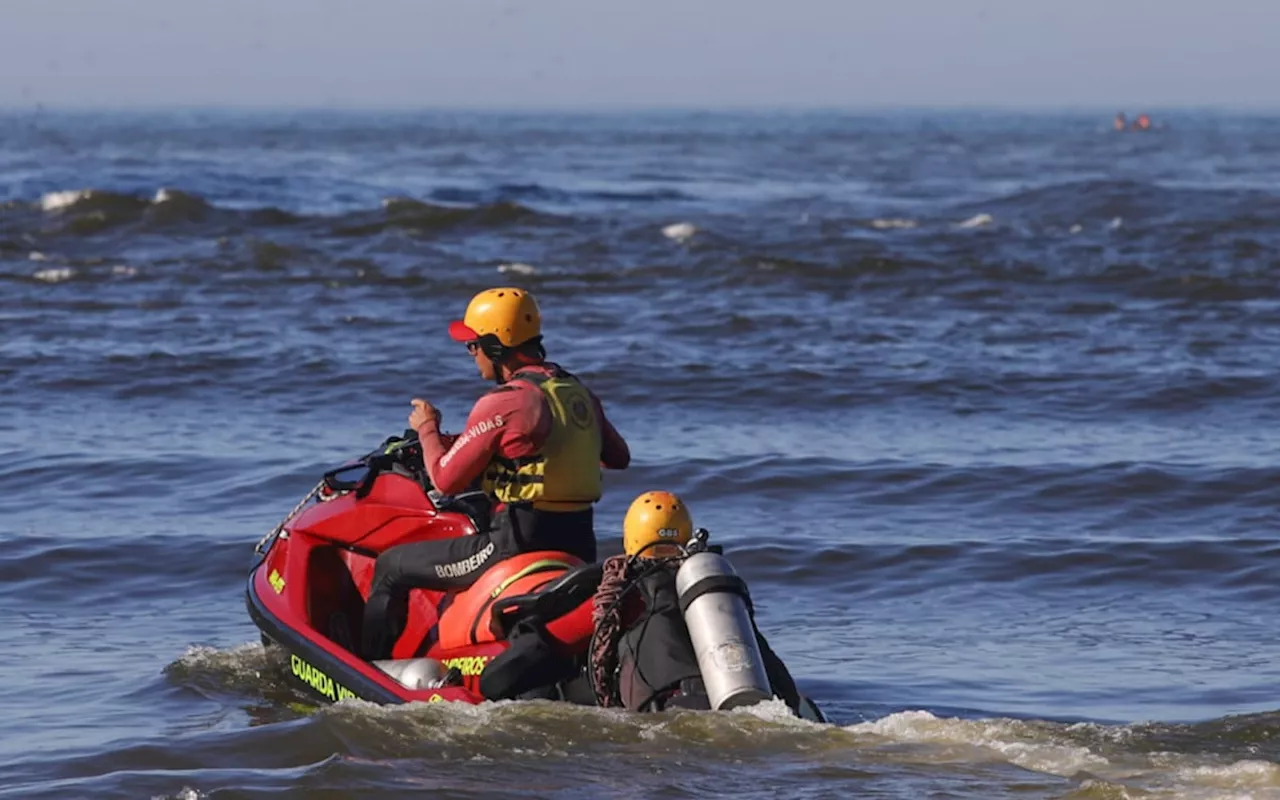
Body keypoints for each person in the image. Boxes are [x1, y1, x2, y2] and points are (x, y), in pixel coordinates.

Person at [361, 287, 631, 660]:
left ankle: (371, 670)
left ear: (496, 346)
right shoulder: (576, 392)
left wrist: (428, 428)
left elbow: (444, 479)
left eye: (473, 346)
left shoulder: (505, 400)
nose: (472, 356)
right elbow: (617, 457)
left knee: (392, 566)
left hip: (516, 544)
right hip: (579, 541)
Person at [478, 491, 808, 716]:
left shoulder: (624, 595)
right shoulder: (712, 596)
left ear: (630, 538)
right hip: (736, 708)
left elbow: (507, 675)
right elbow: (782, 684)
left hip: (667, 719)